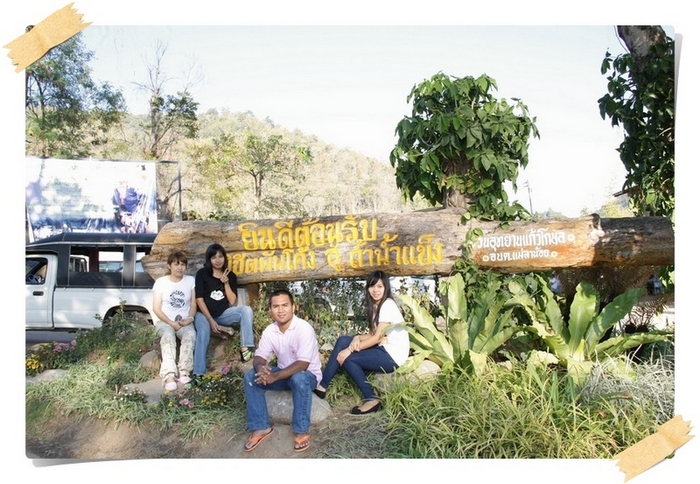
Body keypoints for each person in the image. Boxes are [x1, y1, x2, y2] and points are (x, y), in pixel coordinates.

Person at [314, 270, 408, 415]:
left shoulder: (387, 305)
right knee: (343, 340)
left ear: (386, 288)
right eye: (372, 286)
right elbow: (373, 333)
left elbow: (377, 338)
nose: (375, 290)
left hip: (392, 355)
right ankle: (322, 386)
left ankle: (371, 399)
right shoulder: (377, 305)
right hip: (383, 349)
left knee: (348, 359)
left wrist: (349, 350)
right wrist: (357, 337)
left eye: (380, 286)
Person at [243, 288, 322, 454]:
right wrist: (261, 368)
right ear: (270, 310)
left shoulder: (303, 328)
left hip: (307, 376)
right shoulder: (270, 331)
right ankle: (261, 426)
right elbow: (259, 357)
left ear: (293, 307)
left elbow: (303, 364)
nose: (280, 310)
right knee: (251, 376)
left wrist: (274, 376)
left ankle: (301, 431)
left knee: (299, 378)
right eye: (275, 306)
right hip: (284, 375)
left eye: (285, 305)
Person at [193, 244, 255, 381]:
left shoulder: (230, 275)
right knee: (203, 331)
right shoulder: (202, 274)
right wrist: (210, 320)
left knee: (246, 310)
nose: (217, 260)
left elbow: (232, 301)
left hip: (221, 314)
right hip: (203, 314)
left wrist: (226, 283)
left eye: (220, 256)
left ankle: (246, 350)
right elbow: (199, 299)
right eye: (214, 257)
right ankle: (198, 373)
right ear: (209, 259)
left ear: (224, 258)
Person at [151, 251, 197, 391]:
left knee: (190, 335)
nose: (180, 267)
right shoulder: (161, 282)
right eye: (176, 264)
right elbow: (156, 308)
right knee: (168, 336)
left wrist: (190, 318)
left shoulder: (190, 281)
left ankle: (184, 371)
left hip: (184, 321)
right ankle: (169, 375)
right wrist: (171, 323)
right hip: (165, 321)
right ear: (169, 266)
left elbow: (193, 304)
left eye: (183, 264)